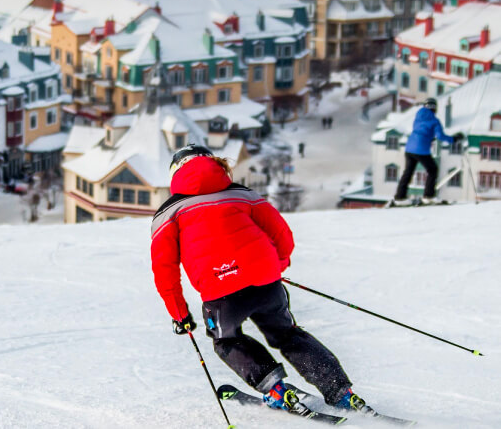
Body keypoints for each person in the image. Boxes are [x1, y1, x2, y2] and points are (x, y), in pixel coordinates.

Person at [151, 144, 368, 416]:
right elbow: (282, 234)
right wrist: (277, 266)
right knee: (287, 334)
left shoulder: (168, 212)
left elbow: (164, 269)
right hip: (265, 280)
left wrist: (179, 314)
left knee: (227, 341)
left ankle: (276, 389)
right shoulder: (244, 194)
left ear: (175, 173)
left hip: (221, 290)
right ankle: (341, 392)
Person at [393, 98, 456, 206]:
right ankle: (428, 196)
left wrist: (429, 137)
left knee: (408, 172)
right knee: (432, 170)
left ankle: (400, 197)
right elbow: (440, 136)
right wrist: (454, 139)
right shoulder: (435, 121)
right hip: (421, 150)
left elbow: (421, 131)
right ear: (435, 108)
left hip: (409, 148)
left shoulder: (418, 117)